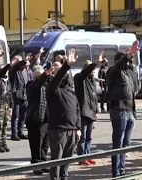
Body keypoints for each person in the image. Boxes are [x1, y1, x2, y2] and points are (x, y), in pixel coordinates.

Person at [46, 49, 81, 180]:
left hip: (71, 130)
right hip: (58, 130)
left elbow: (77, 109)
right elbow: (57, 80)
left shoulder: (70, 90)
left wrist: (78, 127)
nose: (65, 75)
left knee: (67, 158)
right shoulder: (52, 88)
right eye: (60, 72)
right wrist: (66, 66)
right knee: (57, 159)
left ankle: (64, 177)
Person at [106, 40, 138, 178]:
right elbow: (119, 66)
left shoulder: (128, 72)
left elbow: (136, 86)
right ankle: (116, 172)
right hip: (119, 110)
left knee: (126, 143)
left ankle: (122, 170)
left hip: (130, 110)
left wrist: (132, 64)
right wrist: (128, 55)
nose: (128, 62)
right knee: (118, 143)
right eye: (125, 60)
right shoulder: (113, 71)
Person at [26, 67, 53, 175]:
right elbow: (38, 83)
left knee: (45, 144)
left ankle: (43, 162)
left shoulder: (47, 86)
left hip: (46, 119)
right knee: (36, 144)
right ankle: (36, 165)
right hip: (35, 119)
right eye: (42, 76)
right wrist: (44, 75)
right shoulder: (31, 85)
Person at [75, 59, 99, 165]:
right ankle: (81, 157)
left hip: (91, 112)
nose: (93, 71)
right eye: (91, 69)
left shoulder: (92, 80)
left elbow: (94, 97)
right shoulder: (79, 78)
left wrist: (96, 111)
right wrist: (94, 64)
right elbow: (84, 74)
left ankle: (87, 155)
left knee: (89, 136)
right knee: (83, 137)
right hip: (83, 111)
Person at [9, 54, 33, 141]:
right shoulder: (13, 70)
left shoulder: (25, 71)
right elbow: (16, 66)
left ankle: (20, 132)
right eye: (17, 61)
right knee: (15, 116)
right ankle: (14, 134)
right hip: (17, 96)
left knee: (23, 116)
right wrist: (23, 61)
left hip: (24, 96)